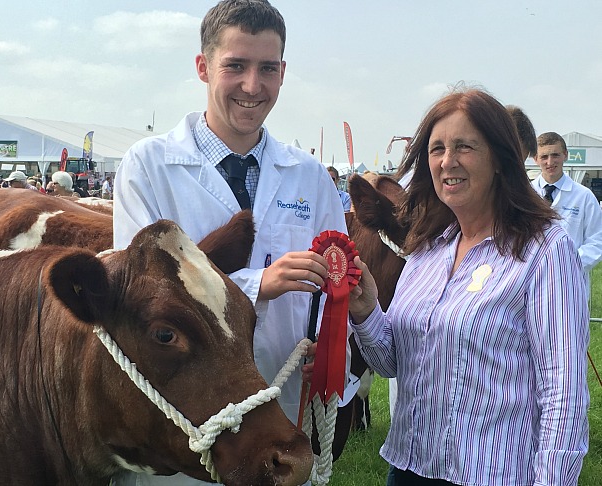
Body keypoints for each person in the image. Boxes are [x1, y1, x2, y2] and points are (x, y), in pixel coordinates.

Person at [113, 1, 347, 484]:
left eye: (267, 69)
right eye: (235, 66)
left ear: (283, 72)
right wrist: (259, 282)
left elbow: (334, 284)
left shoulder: (308, 176)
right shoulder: (148, 166)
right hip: (185, 418)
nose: (252, 86)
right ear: (203, 67)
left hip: (281, 402)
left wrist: (328, 352)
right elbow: (142, 297)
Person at [347, 89, 589, 485]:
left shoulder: (544, 249)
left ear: (499, 158)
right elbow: (392, 363)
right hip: (408, 469)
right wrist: (367, 311)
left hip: (492, 473)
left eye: (464, 147)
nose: (447, 161)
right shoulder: (427, 247)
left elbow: (563, 394)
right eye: (437, 148)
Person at [532, 131, 602, 296]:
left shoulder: (584, 196)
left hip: (571, 281)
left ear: (565, 155)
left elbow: (597, 240)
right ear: (535, 159)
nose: (550, 162)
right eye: (544, 157)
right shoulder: (525, 194)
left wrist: (567, 262)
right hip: (532, 277)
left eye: (555, 155)